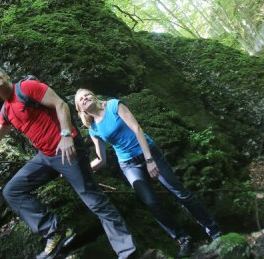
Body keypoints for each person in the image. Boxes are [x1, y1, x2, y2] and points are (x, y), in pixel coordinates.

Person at [0, 66, 136, 259]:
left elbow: (60, 104)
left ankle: (127, 252)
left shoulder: (26, 88)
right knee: (12, 191)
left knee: (95, 201)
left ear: (6, 75)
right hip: (46, 157)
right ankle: (54, 230)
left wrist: (66, 134)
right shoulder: (6, 111)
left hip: (68, 150)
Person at [75, 89, 221, 258]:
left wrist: (149, 160)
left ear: (94, 96)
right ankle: (182, 238)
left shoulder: (114, 105)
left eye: (86, 95)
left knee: (179, 192)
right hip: (128, 164)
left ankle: (213, 230)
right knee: (151, 203)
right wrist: (78, 171)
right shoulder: (93, 128)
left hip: (148, 153)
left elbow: (137, 129)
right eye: (81, 99)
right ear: (81, 109)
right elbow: (101, 159)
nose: (85, 98)